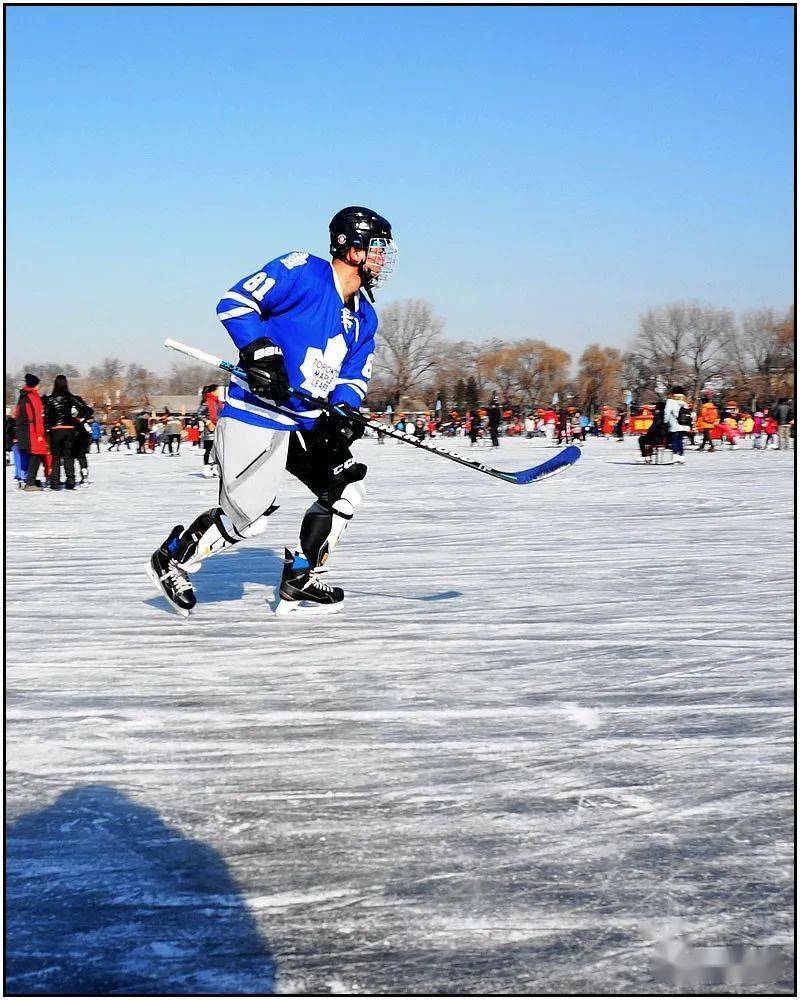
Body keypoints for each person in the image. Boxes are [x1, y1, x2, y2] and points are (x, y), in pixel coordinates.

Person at [147, 205, 396, 616]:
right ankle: (172, 558)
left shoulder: (364, 316)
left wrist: (344, 412)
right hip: (256, 412)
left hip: (305, 422)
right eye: (377, 247)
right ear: (350, 247)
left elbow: (353, 375)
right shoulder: (303, 272)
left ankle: (300, 578)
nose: (383, 258)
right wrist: (260, 350)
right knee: (247, 518)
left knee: (347, 488)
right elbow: (235, 303)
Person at [44, 374, 92, 490]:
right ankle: (70, 481)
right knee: (68, 456)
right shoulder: (70, 397)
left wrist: (47, 428)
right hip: (69, 428)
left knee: (56, 457)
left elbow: (47, 416)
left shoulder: (50, 399)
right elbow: (87, 410)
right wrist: (81, 419)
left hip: (55, 429)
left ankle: (55, 482)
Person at [14, 374, 48, 491]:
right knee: (37, 454)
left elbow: (16, 414)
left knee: (28, 455)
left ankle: (27, 479)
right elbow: (37, 417)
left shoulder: (22, 396)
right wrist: (40, 434)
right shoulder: (33, 397)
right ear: (35, 385)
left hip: (22, 429)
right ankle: (30, 482)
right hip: (32, 430)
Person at [663, 386, 691, 464]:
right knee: (680, 440)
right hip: (684, 424)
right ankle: (681, 456)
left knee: (674, 440)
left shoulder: (670, 401)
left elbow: (667, 412)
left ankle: (675, 456)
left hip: (675, 424)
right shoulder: (684, 402)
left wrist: (665, 421)